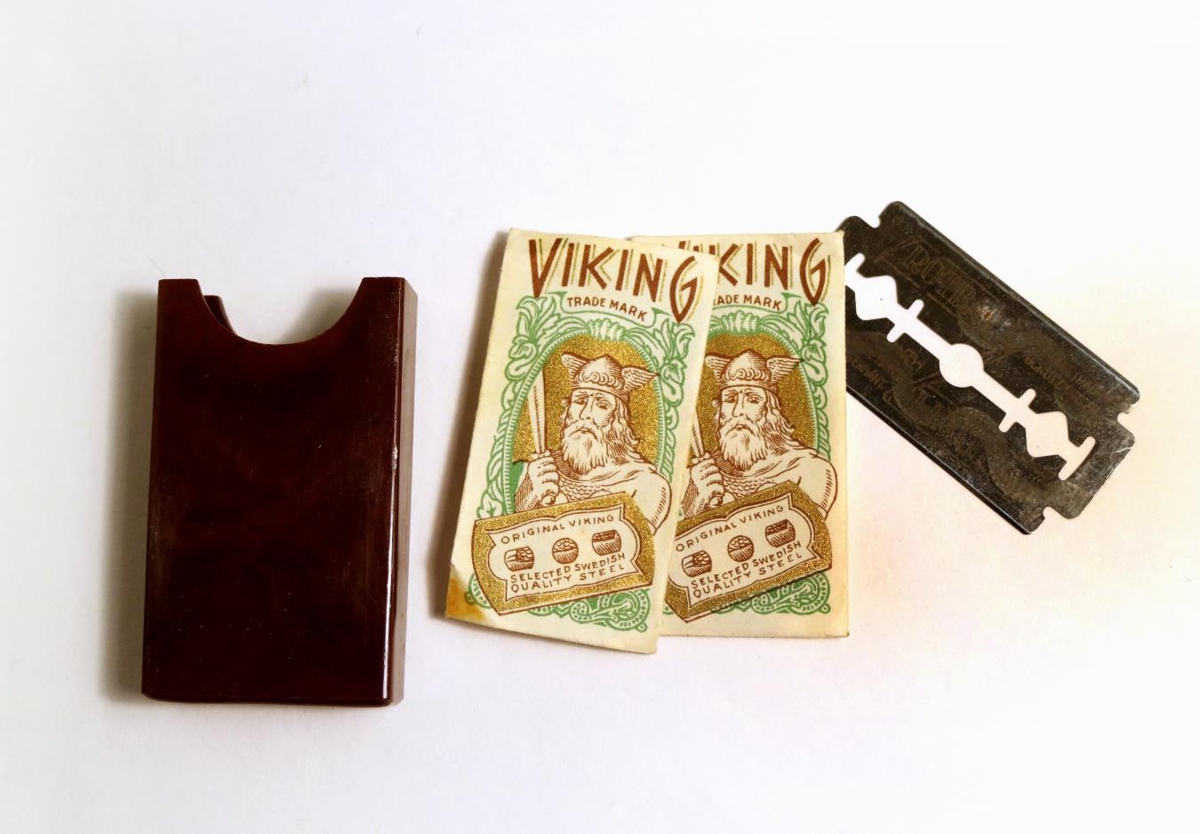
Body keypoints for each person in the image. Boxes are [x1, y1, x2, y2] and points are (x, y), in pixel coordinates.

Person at [516, 353, 671, 531]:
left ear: (619, 420)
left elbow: (636, 544)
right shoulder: (541, 470)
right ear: (568, 410)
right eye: (580, 401)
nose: (585, 414)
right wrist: (531, 494)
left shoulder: (645, 484)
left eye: (602, 405)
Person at [682, 350, 836, 518]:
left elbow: (807, 530)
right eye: (730, 399)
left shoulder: (809, 470)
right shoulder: (700, 475)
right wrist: (697, 499)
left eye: (753, 400)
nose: (738, 411)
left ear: (772, 411)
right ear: (719, 411)